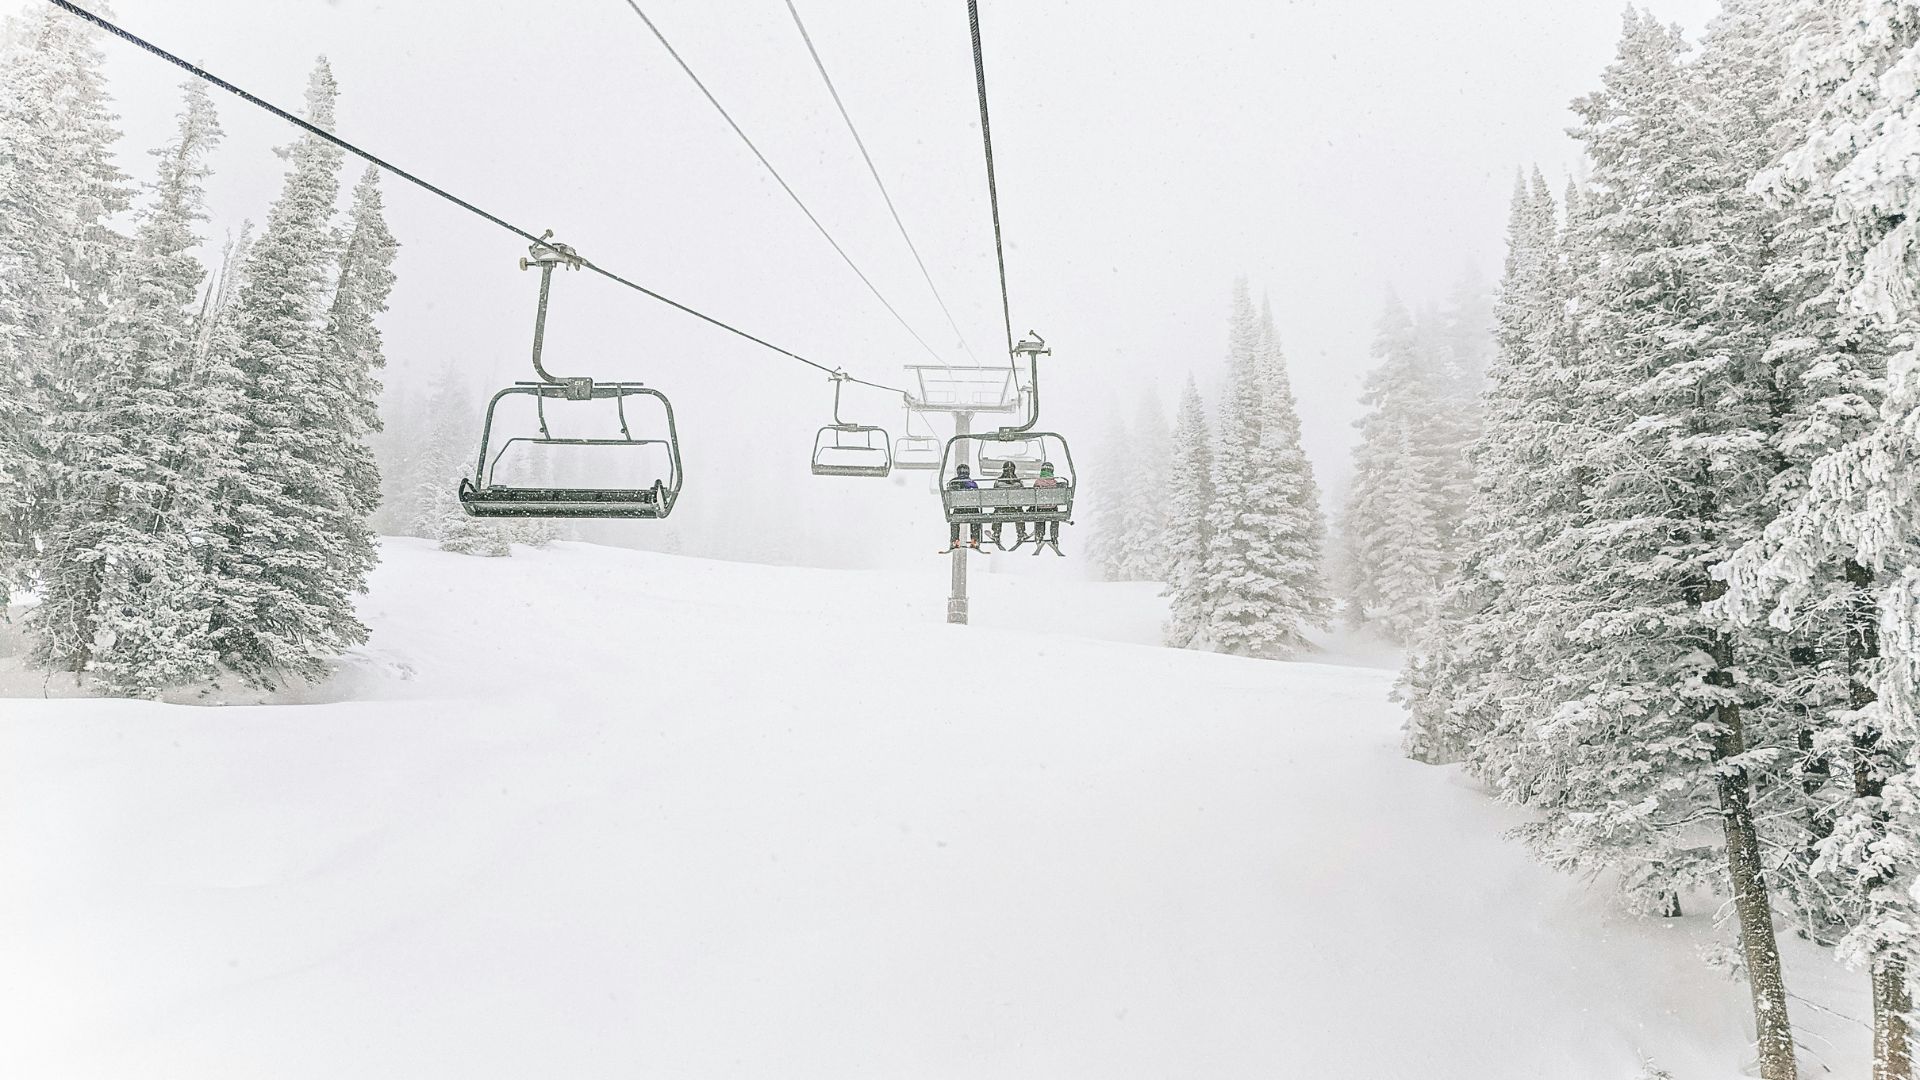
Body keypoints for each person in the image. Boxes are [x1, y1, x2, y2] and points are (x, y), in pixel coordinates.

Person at [1030, 461, 1068, 554]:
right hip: (1052, 508)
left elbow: (1032, 496)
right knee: (1055, 517)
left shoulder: (1037, 482)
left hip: (1039, 508)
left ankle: (1039, 535)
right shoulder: (1054, 483)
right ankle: (1054, 537)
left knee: (1039, 517)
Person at [945, 463, 985, 551]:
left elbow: (949, 496)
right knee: (975, 519)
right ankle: (975, 539)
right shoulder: (972, 483)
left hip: (958, 509)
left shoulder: (953, 482)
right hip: (972, 509)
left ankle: (954, 540)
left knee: (954, 521)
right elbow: (976, 496)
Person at [989, 460, 1029, 549]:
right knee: (1020, 512)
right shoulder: (1018, 482)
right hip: (1016, 510)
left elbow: (994, 497)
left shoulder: (998, 482)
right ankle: (1021, 532)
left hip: (1001, 510)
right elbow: (1023, 497)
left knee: (997, 512)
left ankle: (996, 532)